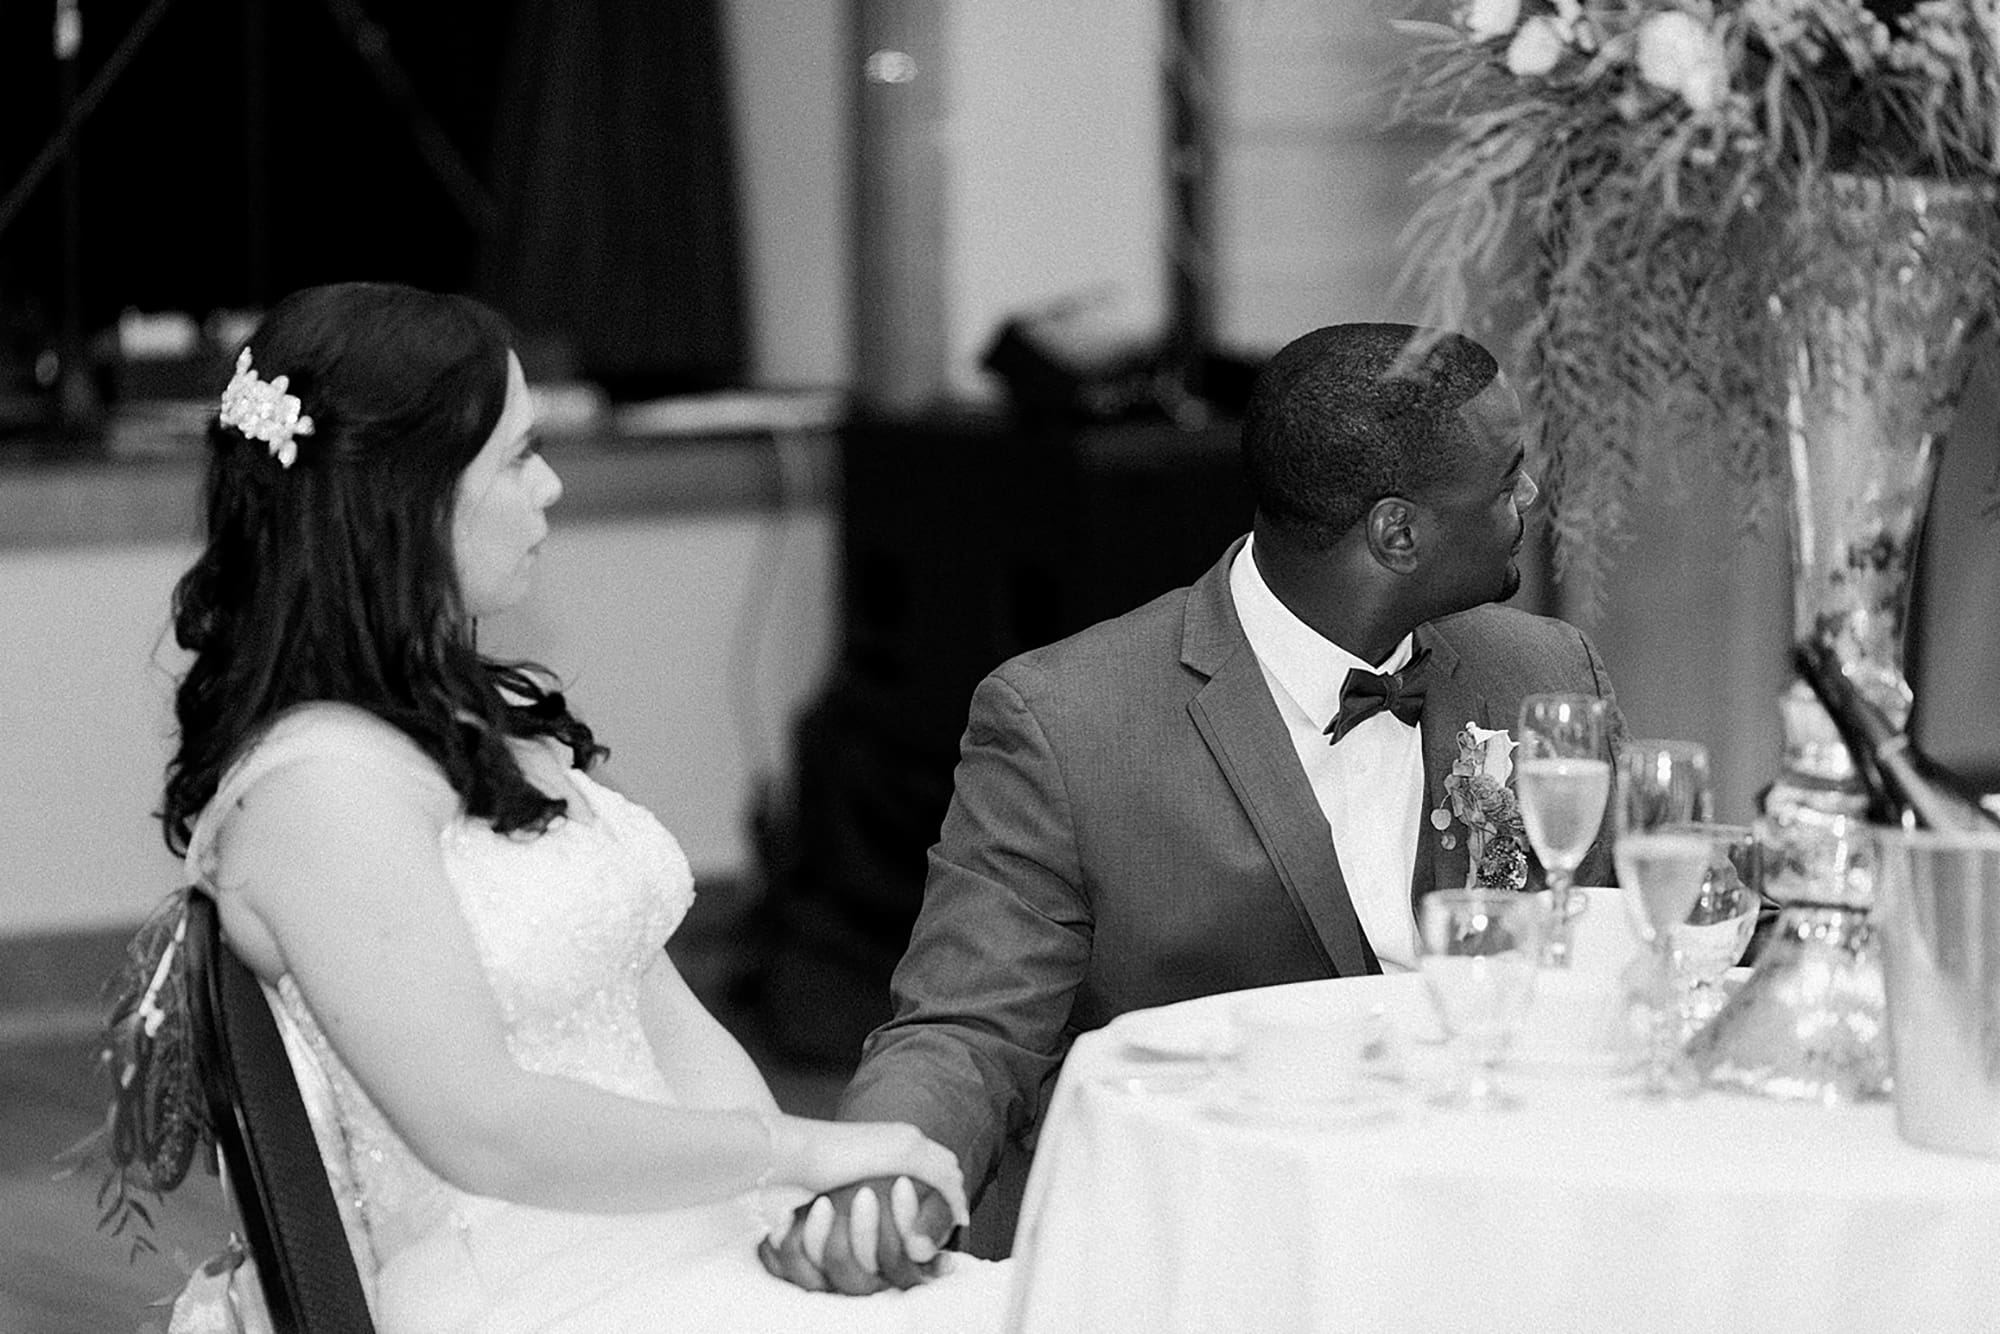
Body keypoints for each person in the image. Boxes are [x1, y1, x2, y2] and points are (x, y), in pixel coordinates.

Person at [131, 282, 1010, 1331]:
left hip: (679, 1236)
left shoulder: (479, 725)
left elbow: (663, 1021)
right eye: (517, 456)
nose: (550, 486)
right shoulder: (316, 796)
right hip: (527, 1282)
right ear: (406, 498)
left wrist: (790, 1203)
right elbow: (482, 1124)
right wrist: (799, 1147)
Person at [760, 322, 1625, 1291]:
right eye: (1506, 482)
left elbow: (1632, 944)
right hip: (1214, 1247)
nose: (1529, 498)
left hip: (1504, 1226)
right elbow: (968, 1028)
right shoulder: (1066, 722)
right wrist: (877, 1179)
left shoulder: (1543, 673)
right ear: (1397, 533)